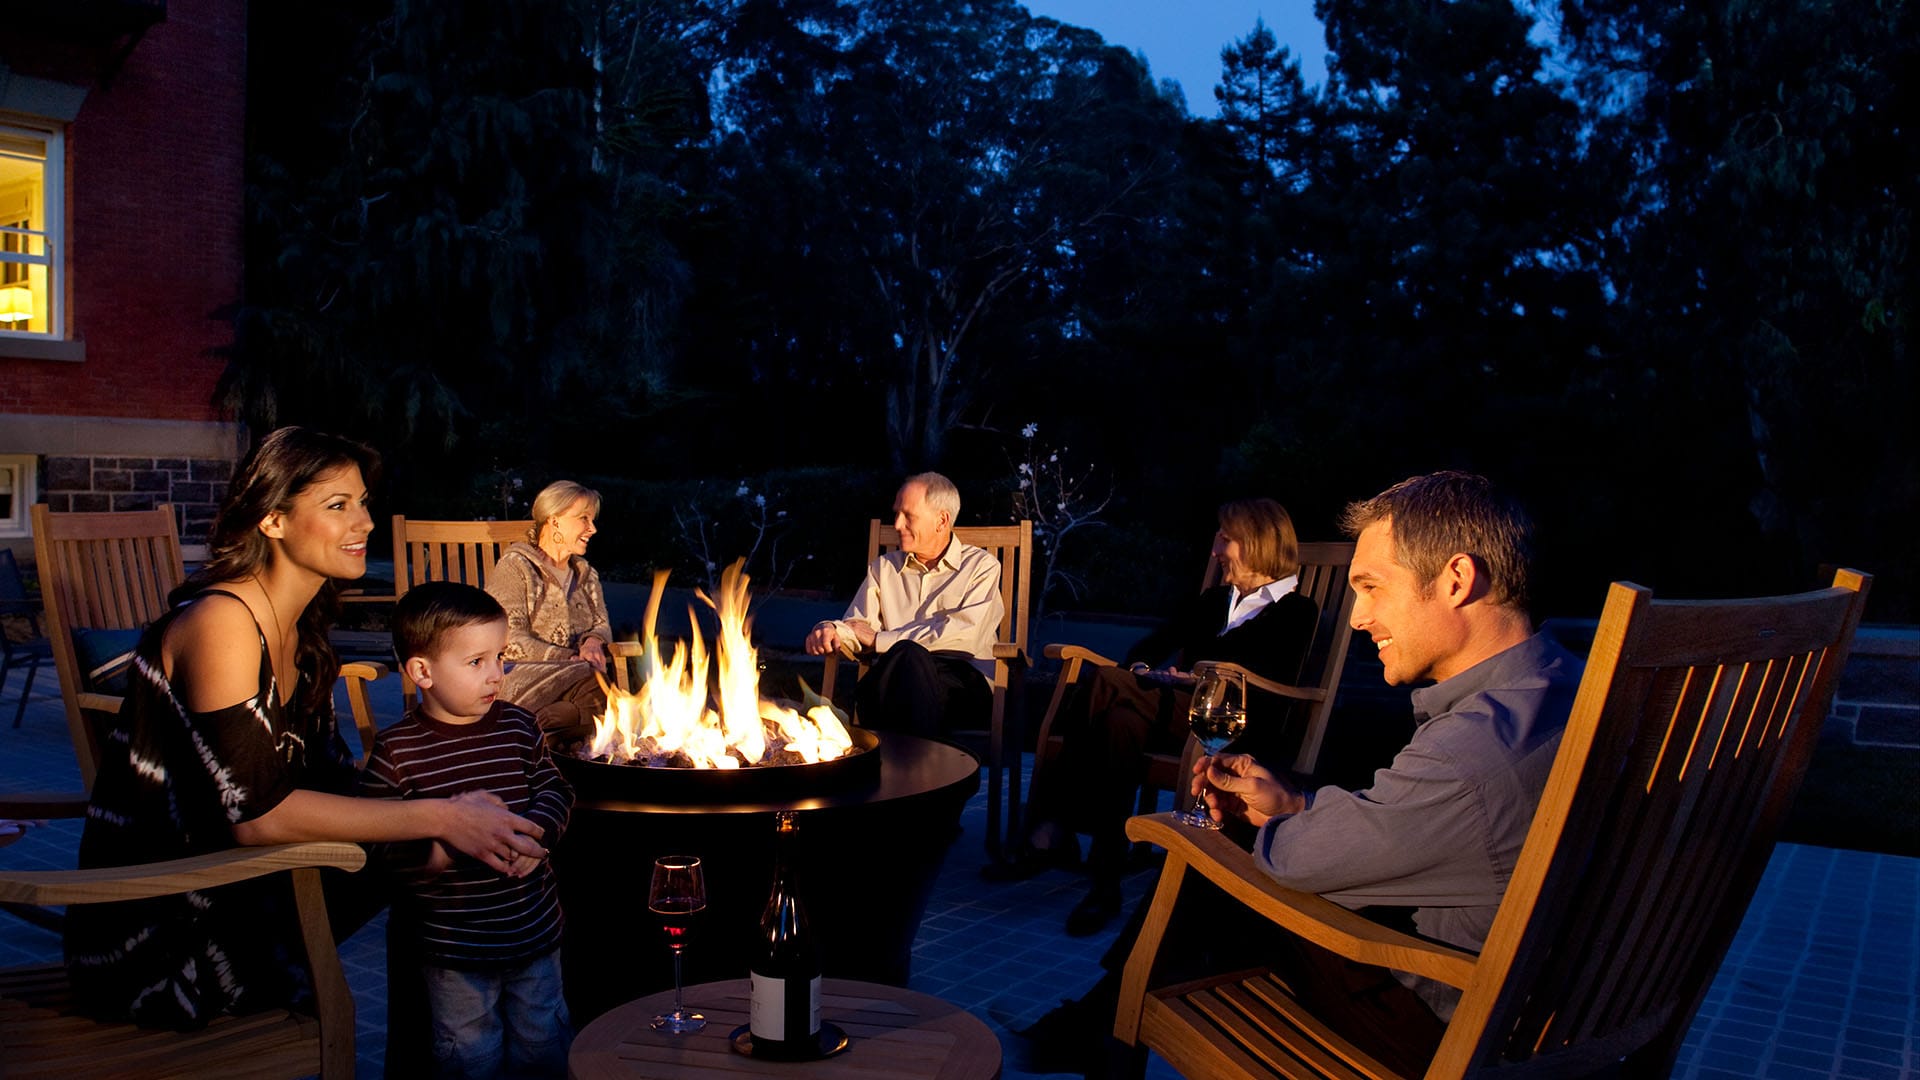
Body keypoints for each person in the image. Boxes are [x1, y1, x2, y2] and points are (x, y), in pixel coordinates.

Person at [1019, 471, 1585, 1079]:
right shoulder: (1565, 689)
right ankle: (1100, 1023)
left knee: (1216, 856)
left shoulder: (1471, 752)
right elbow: (1419, 822)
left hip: (1453, 1034)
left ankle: (1106, 1025)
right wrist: (1295, 802)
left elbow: (1300, 863)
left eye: (1370, 588)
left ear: (1455, 579)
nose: (1359, 616)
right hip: (1562, 1018)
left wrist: (1259, 829)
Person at [64, 427, 549, 1029]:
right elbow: (257, 817)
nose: (365, 523)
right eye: (337, 505)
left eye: (364, 502)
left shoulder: (302, 631)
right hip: (167, 935)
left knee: (446, 855)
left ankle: (452, 1050)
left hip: (250, 892)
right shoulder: (223, 621)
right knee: (440, 844)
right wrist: (445, 815)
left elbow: (336, 783)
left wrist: (459, 800)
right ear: (272, 520)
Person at [991, 498, 1319, 938]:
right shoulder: (1213, 600)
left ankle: (1054, 827)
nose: (1216, 550)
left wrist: (1192, 675)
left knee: (1107, 684)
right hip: (1180, 710)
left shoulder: (1295, 611)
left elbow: (1263, 676)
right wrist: (1151, 672)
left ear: (1255, 543)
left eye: (1226, 539)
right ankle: (1105, 881)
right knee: (1120, 717)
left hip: (1233, 724)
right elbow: (1146, 648)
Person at [361, 581, 574, 1078]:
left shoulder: (519, 727)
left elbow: (556, 789)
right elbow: (376, 845)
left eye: (500, 657)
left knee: (542, 1045)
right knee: (468, 1055)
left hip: (534, 936)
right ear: (421, 671)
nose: (496, 675)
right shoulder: (397, 753)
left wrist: (539, 833)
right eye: (476, 662)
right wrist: (434, 855)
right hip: (454, 951)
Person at [803, 472, 1004, 737]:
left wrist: (881, 640)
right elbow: (857, 626)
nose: (897, 524)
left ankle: (897, 768)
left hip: (961, 688)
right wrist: (830, 628)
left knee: (908, 656)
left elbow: (964, 635)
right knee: (904, 665)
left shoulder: (981, 567)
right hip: (893, 680)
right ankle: (920, 771)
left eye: (908, 516)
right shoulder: (884, 569)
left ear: (941, 520)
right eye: (896, 513)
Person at [486, 480, 614, 730]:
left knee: (599, 690)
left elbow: (601, 624)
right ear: (554, 521)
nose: (593, 529)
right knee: (601, 697)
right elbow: (507, 637)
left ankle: (548, 727)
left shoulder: (585, 573)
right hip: (524, 676)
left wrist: (592, 642)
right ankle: (554, 722)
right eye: (584, 519)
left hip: (578, 675)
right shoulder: (516, 567)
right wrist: (568, 658)